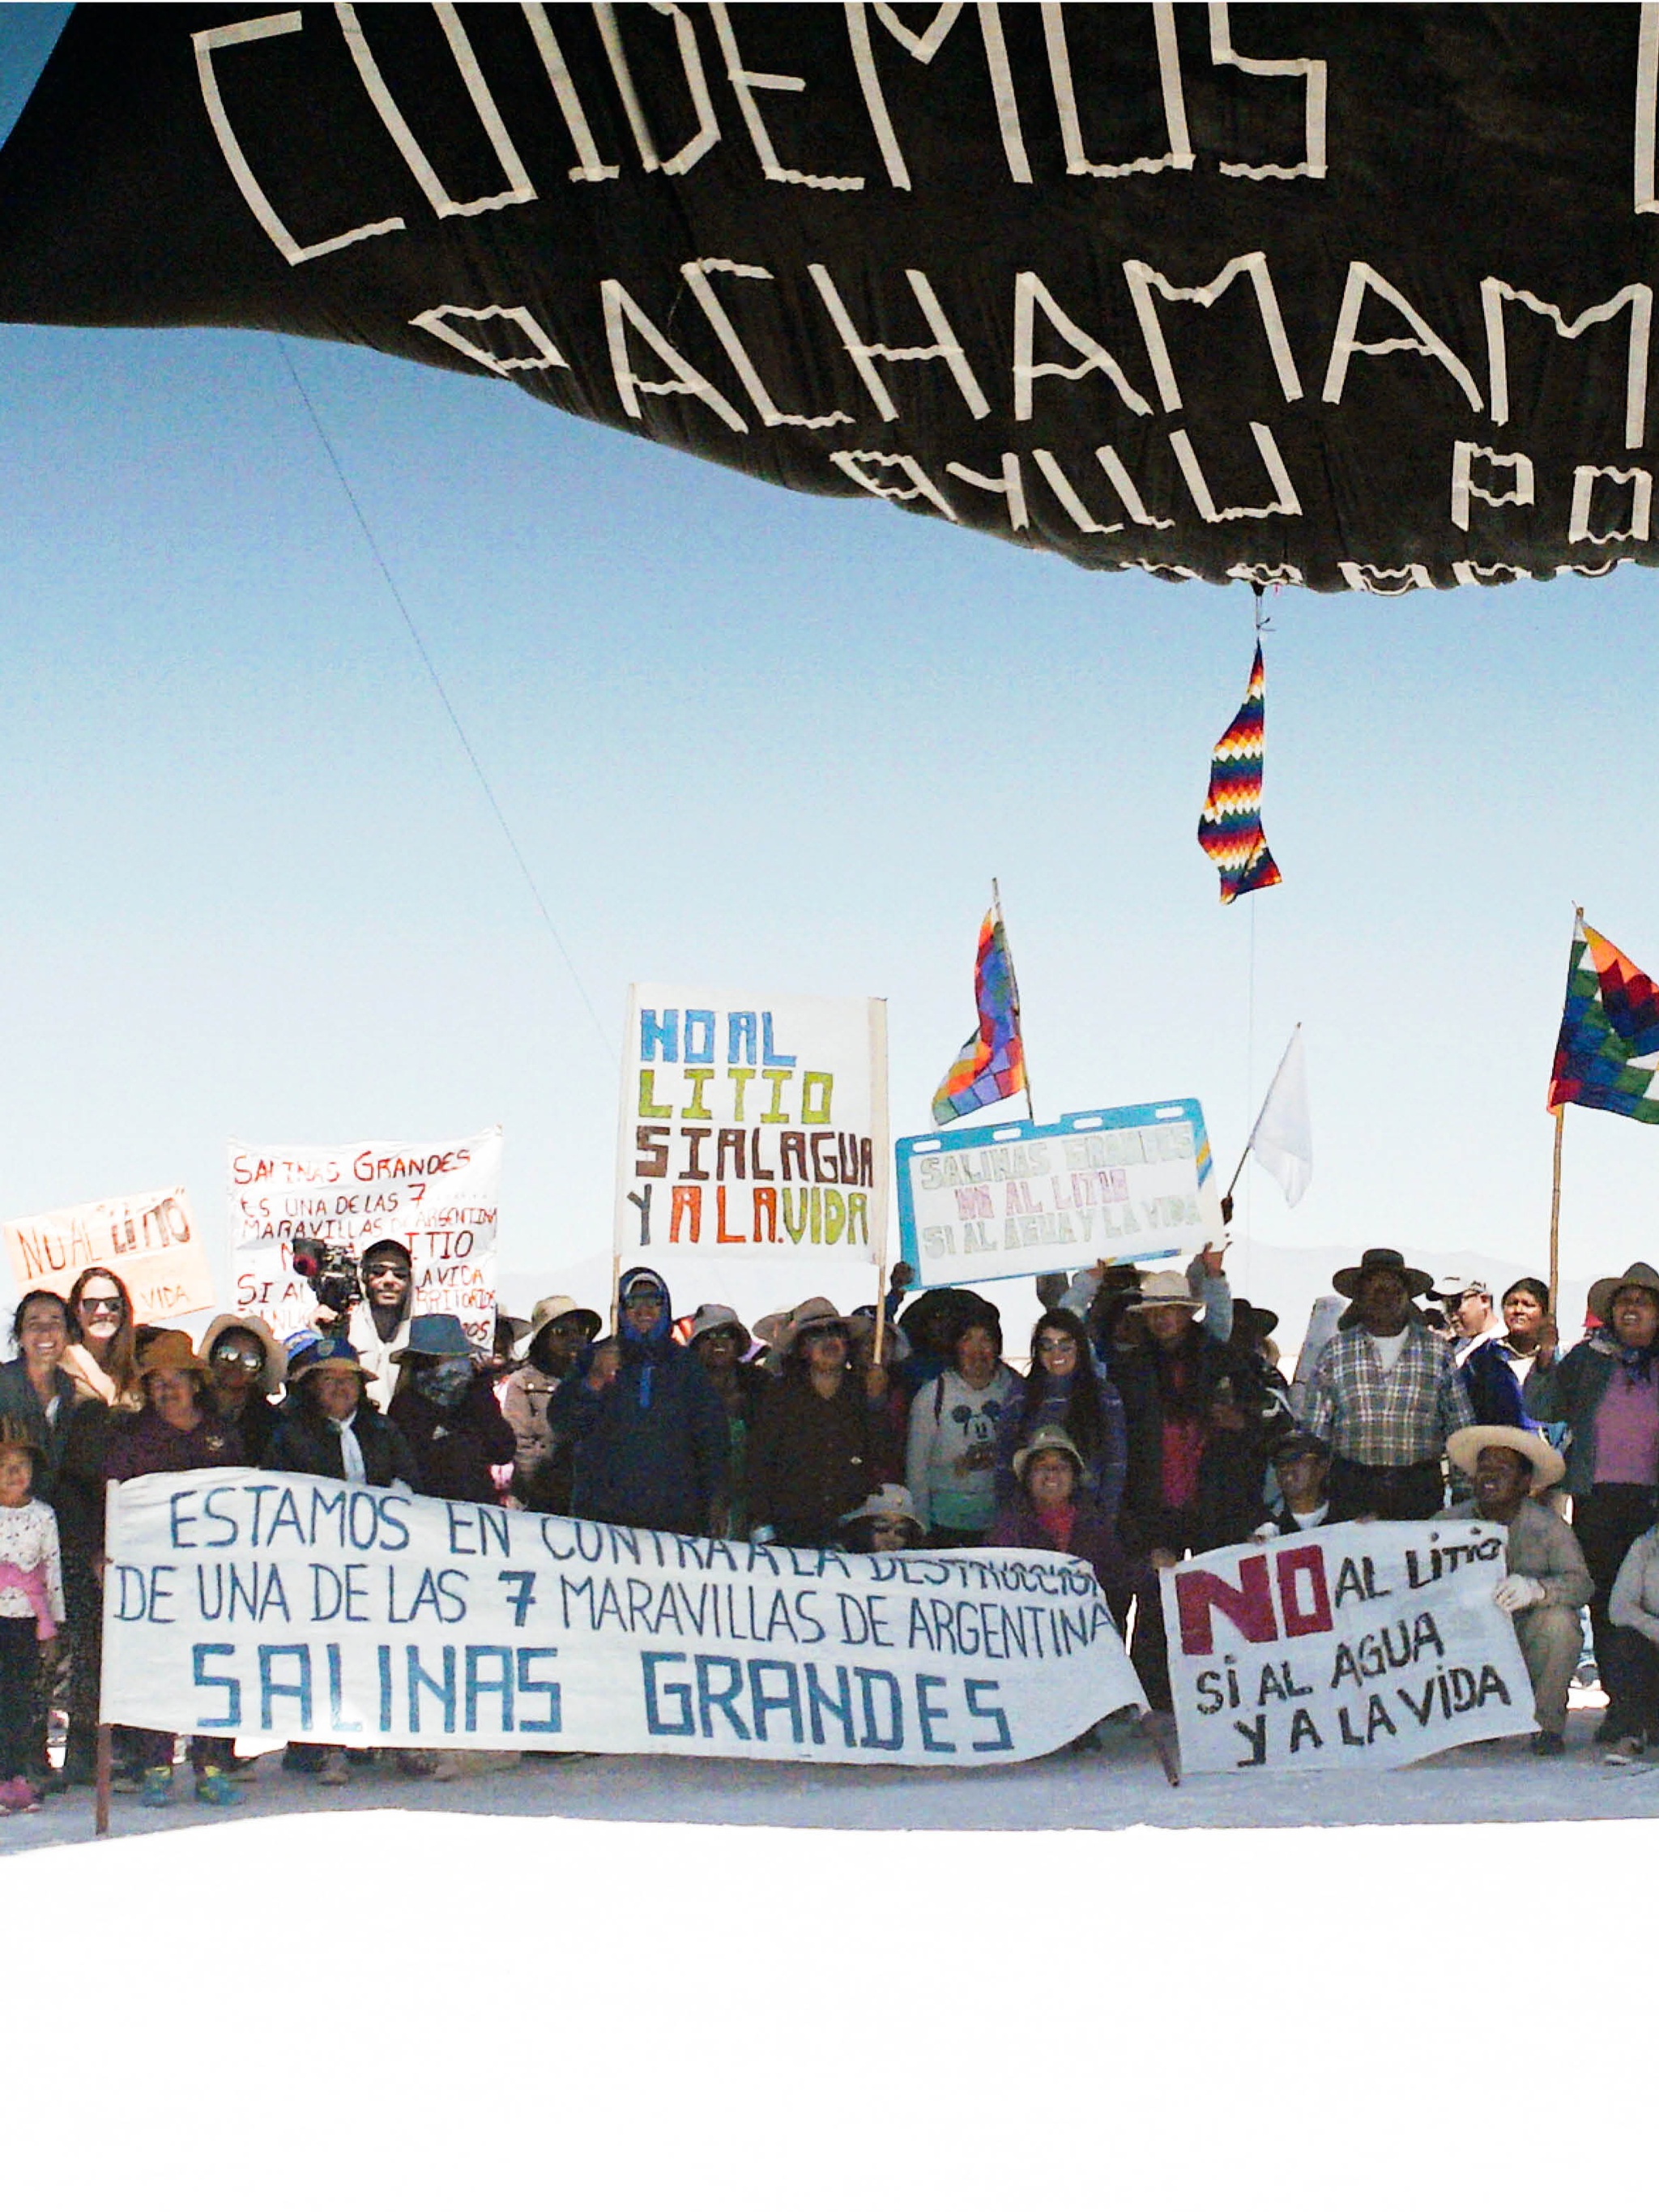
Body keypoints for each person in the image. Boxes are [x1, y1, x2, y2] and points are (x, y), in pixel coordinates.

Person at [1114, 1270, 1277, 1710]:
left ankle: (1224, 1694)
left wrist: (1240, 1424)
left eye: (1170, 1309)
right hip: (1155, 1500)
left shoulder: (1226, 1360)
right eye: (1155, 1312)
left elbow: (1260, 1425)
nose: (1163, 1319)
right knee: (1154, 1604)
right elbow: (1123, 1443)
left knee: (1219, 1600)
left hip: (1214, 1498)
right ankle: (1155, 1699)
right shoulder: (1130, 1369)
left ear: (1188, 1312)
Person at [104, 1331, 244, 1806]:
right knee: (157, 1665)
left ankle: (212, 1763)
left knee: (218, 1663)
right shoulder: (131, 1438)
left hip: (214, 1576)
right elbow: (112, 1501)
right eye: (156, 1382)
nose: (166, 1390)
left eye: (175, 1380)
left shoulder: (223, 1433)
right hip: (155, 1577)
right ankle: (157, 1763)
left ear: (196, 1384)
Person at [1525, 1260, 1659, 1749]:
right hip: (1599, 1500)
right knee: (1606, 1606)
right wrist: (1544, 1359)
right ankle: (1622, 1708)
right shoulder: (1589, 1359)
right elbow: (1543, 1406)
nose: (1632, 1309)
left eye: (1643, 1302)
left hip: (1653, 1502)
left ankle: (1653, 1708)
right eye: (1624, 1301)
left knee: (1653, 1605)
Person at [1438, 1425, 1590, 1757]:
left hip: (1525, 1635)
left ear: (1524, 1483)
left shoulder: (1549, 1527)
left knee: (1560, 1624)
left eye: (1502, 1470)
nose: (1489, 1477)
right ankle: (1474, 1719)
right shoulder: (1444, 1525)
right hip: (1470, 1636)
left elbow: (1582, 1585)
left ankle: (1546, 1725)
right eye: (1484, 1469)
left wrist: (1537, 1590)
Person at [1303, 1247, 1474, 1520]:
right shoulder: (1335, 1352)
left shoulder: (1436, 1351)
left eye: (1394, 1290)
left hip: (1418, 1491)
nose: (1385, 1298)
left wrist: (1464, 1495)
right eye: (1375, 1290)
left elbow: (1460, 1428)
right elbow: (1315, 1433)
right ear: (1359, 1298)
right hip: (1351, 1491)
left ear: (1407, 1297)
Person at [554, 1268, 727, 1536]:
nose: (644, 1309)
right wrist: (594, 1381)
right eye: (634, 1301)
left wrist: (716, 1499)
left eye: (653, 1300)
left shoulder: (686, 1365)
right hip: (604, 1517)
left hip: (676, 1518)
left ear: (665, 1304)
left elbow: (712, 1438)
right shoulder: (595, 1357)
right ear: (622, 1308)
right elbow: (563, 1423)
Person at [746, 1301, 894, 1547]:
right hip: (790, 1527)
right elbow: (759, 1463)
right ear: (802, 1349)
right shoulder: (778, 1394)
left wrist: (876, 1402)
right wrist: (762, 1527)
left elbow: (882, 1452)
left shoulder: (862, 1390)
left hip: (851, 1525)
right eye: (816, 1335)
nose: (829, 1342)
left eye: (836, 1333)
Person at [989, 1425, 1139, 1629]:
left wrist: (1156, 1568)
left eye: (1061, 1467)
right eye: (1042, 1467)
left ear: (1073, 1478)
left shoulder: (1094, 1523)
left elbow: (1118, 1581)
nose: (1052, 1474)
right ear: (1028, 1478)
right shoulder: (1007, 1528)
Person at [994, 1309, 1127, 1521]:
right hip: (1031, 1521)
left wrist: (1105, 1519)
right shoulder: (1020, 1395)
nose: (1057, 1354)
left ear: (1080, 1348)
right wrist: (1009, 1518)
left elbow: (1116, 1463)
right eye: (1047, 1346)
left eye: (1066, 1345)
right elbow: (1003, 1463)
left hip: (1088, 1519)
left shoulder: (1104, 1395)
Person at [905, 1309, 1018, 1545]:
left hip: (1001, 1524)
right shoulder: (932, 1396)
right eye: (967, 1339)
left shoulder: (1015, 1389)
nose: (978, 1350)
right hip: (945, 1525)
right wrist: (922, 1529)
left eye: (986, 1339)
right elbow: (916, 1469)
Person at [0, 1421, 65, 1816]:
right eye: (6, 1465)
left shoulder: (43, 1516)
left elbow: (51, 1569)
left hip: (26, 1618)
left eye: (23, 1465)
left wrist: (51, 1625)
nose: (16, 1474)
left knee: (21, 1700)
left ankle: (17, 1776)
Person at [388, 1315, 515, 1506]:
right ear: (428, 1361)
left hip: (478, 1509)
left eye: (462, 1357)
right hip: (429, 1515)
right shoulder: (406, 1406)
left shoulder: (475, 1395)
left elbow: (503, 1450)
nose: (462, 1365)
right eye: (453, 1357)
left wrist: (481, 1394)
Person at [263, 1337, 420, 1490]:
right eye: (329, 1379)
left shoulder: (384, 1429)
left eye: (349, 1378)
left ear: (360, 1386)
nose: (340, 1386)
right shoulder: (290, 1435)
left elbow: (408, 1477)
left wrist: (399, 1492)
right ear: (311, 1386)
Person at [504, 1295, 602, 1515]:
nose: (573, 1338)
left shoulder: (598, 1380)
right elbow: (520, 1445)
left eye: (580, 1331)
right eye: (561, 1332)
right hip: (537, 1504)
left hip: (590, 1500)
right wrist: (553, 1488)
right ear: (543, 1340)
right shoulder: (522, 1382)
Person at [685, 1305, 773, 1534]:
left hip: (751, 1505)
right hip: (693, 1505)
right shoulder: (682, 1388)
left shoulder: (760, 1384)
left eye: (726, 1335)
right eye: (709, 1336)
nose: (718, 1343)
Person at [1462, 1278, 1555, 1429]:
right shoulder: (1483, 1358)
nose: (1518, 1310)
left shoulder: (1560, 1362)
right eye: (1512, 1304)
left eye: (1528, 1305)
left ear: (1546, 1316)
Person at [198, 1313, 287, 1462]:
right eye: (228, 1354)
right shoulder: (187, 1410)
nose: (236, 1365)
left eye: (250, 1361)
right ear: (212, 1359)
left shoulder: (273, 1423)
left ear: (259, 1373)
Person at [339, 1238, 416, 1410]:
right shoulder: (343, 1329)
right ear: (364, 1278)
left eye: (399, 1274)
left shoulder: (423, 1335)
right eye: (378, 1272)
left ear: (410, 1281)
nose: (389, 1281)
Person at [1607, 1514, 1659, 1763]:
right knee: (1626, 1641)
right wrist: (1654, 1629)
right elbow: (1619, 1608)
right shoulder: (1646, 1545)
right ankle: (1631, 1733)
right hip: (1654, 1641)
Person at [62, 1265, 142, 1409]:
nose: (102, 1312)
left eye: (113, 1305)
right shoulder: (61, 1369)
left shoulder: (136, 1365)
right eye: (91, 1304)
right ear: (76, 1311)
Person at [1254, 1431, 1335, 1537]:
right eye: (1279, 1462)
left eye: (1296, 1458)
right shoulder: (1263, 1527)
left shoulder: (1348, 1517)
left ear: (1322, 1466)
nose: (1285, 1468)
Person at [839, 1483, 923, 1554]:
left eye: (901, 1531)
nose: (891, 1536)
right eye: (882, 1527)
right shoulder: (836, 1563)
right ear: (861, 1528)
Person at [1436, 1279, 1502, 1366]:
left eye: (1455, 1303)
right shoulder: (1452, 1346)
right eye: (1444, 1306)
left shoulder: (1506, 1343)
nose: (1450, 1313)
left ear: (1484, 1300)